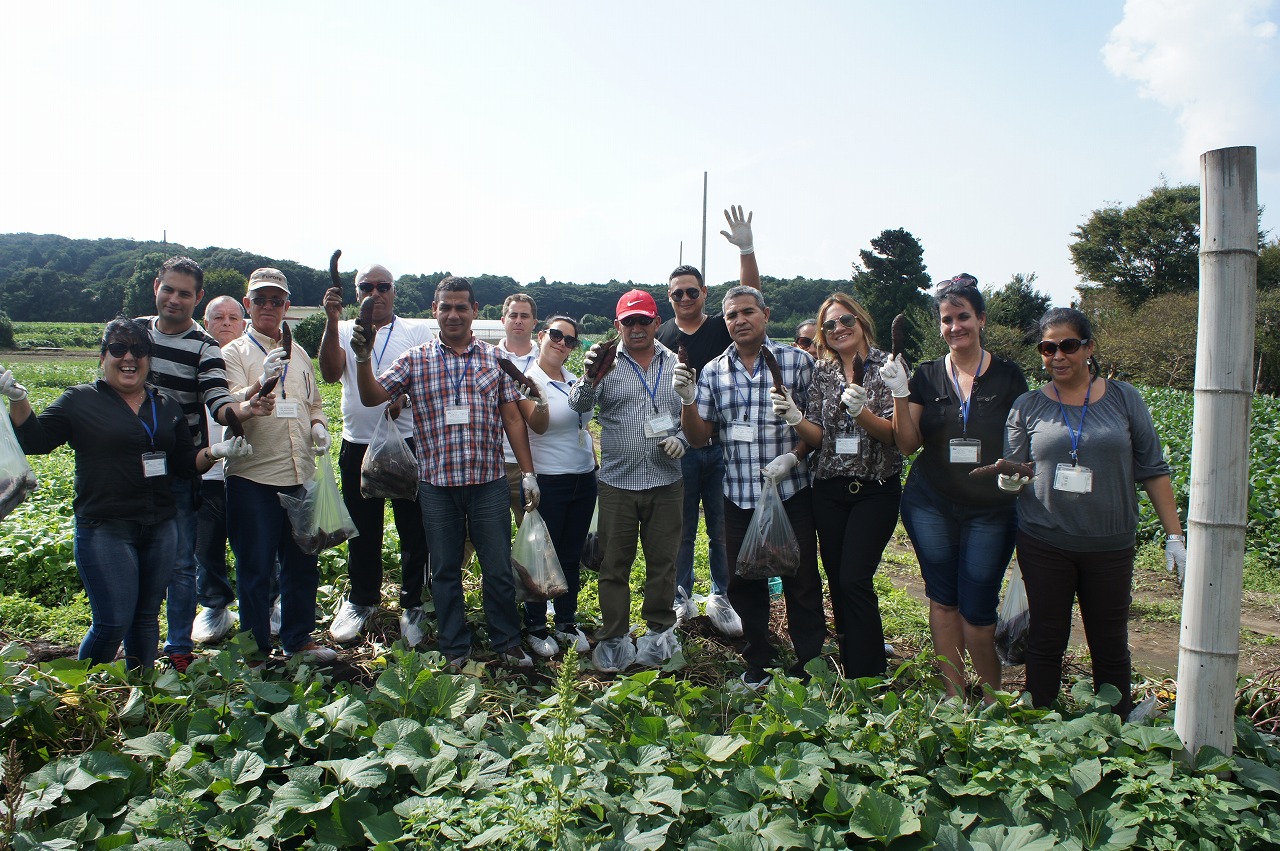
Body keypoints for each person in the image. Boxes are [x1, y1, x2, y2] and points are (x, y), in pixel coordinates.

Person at [0, 318, 250, 670]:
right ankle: (84, 693)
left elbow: (182, 463)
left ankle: (141, 685)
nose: (128, 358)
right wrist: (19, 400)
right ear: (103, 357)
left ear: (149, 359)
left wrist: (216, 453)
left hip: (160, 526)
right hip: (105, 527)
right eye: (118, 349)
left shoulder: (164, 405)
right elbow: (37, 441)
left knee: (146, 618)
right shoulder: (79, 400)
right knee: (112, 620)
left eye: (139, 350)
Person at [351, 276, 545, 668]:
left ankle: (506, 640)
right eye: (445, 307)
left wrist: (527, 473)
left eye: (461, 307)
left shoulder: (494, 359)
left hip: (488, 481)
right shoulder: (415, 359)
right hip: (437, 485)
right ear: (434, 311)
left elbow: (512, 417)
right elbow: (373, 396)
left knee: (497, 566)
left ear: (475, 311)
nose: (453, 314)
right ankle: (455, 646)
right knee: (443, 569)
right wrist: (361, 357)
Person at [1001, 307, 1185, 719]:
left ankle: (1113, 724)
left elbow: (1153, 470)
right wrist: (1009, 480)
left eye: (1068, 345)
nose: (1057, 356)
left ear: (1089, 347)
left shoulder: (1124, 399)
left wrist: (1174, 535)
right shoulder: (1027, 406)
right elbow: (1015, 466)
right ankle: (1039, 721)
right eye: (1048, 348)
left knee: (1109, 639)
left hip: (1110, 542)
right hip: (1045, 539)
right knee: (1046, 637)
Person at [888, 275, 1029, 700]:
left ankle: (989, 698)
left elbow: (1021, 442)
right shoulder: (929, 376)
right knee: (943, 600)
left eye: (963, 317)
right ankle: (953, 696)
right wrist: (898, 394)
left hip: (990, 508)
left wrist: (1015, 475)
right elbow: (908, 443)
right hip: (930, 502)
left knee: (978, 610)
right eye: (946, 320)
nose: (955, 327)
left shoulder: (1008, 376)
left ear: (981, 319)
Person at [677, 286, 825, 690]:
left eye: (747, 312)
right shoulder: (713, 372)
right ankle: (758, 658)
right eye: (731, 315)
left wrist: (794, 454)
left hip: (791, 489)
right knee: (745, 580)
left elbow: (817, 426)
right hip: (738, 494)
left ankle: (811, 661)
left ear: (765, 314)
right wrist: (688, 401)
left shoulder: (797, 362)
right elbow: (698, 437)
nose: (739, 320)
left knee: (802, 579)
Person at [140, 256, 266, 671]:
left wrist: (241, 412)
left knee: (181, 562)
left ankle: (177, 647)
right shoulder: (134, 335)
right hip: (127, 471)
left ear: (197, 298)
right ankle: (132, 641)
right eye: (169, 290)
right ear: (156, 286)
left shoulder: (203, 346)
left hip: (180, 467)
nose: (174, 299)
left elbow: (216, 397)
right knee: (132, 559)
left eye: (184, 293)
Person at [778, 294, 902, 679]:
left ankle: (868, 673)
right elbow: (818, 437)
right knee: (838, 579)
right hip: (829, 489)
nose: (838, 328)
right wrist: (797, 418)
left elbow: (896, 436)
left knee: (854, 578)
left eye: (845, 320)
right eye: (829, 325)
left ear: (861, 321)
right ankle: (851, 662)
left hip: (875, 487)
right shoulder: (824, 372)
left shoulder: (889, 367)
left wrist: (860, 413)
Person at [221, 268, 336, 665]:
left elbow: (315, 402)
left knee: (302, 562)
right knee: (255, 569)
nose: (268, 306)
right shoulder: (234, 352)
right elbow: (228, 404)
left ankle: (298, 639)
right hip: (253, 478)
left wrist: (319, 426)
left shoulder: (300, 353)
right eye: (260, 300)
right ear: (248, 304)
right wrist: (257, 386)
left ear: (287, 307)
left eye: (276, 300)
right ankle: (255, 651)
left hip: (298, 476)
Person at [570, 289, 687, 672]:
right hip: (618, 482)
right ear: (618, 324)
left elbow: (693, 413)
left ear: (656, 322)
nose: (636, 328)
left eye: (643, 320)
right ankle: (615, 636)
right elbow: (579, 406)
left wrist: (682, 439)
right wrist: (588, 376)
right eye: (628, 321)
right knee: (614, 565)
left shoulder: (677, 362)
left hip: (666, 481)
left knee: (663, 562)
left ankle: (657, 631)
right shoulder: (606, 362)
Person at [654, 206, 760, 626]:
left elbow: (751, 295)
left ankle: (722, 594)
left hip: (722, 446)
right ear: (670, 298)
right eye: (677, 293)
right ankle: (682, 595)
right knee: (681, 530)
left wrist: (746, 249)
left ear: (704, 292)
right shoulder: (662, 333)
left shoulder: (720, 327)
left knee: (721, 527)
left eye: (691, 291)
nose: (684, 298)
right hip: (679, 447)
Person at [319, 264, 435, 646]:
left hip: (407, 442)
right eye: (367, 286)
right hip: (358, 442)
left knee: (413, 528)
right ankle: (361, 599)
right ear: (356, 292)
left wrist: (404, 395)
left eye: (383, 286)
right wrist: (331, 321)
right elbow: (332, 373)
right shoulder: (343, 329)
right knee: (362, 528)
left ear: (394, 292)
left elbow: (426, 376)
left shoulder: (415, 331)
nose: (376, 292)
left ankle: (413, 602)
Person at [191, 296, 283, 644]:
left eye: (233, 317)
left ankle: (268, 603)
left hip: (251, 468)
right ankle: (215, 605)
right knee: (208, 543)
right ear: (206, 320)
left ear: (243, 322)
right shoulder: (199, 357)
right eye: (218, 317)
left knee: (260, 545)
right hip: (208, 469)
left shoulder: (253, 357)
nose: (226, 323)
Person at [521, 316, 597, 657]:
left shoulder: (572, 380)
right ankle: (536, 625)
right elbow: (536, 426)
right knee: (542, 555)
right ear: (541, 336)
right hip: (550, 478)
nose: (562, 344)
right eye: (556, 335)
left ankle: (565, 621)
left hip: (583, 476)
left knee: (570, 553)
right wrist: (530, 477)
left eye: (570, 340)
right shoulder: (528, 380)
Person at [497, 293, 541, 526]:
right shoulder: (487, 358)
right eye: (513, 315)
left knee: (533, 531)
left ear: (535, 323)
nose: (518, 321)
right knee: (481, 531)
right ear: (503, 320)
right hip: (496, 460)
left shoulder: (547, 358)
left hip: (538, 460)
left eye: (525, 316)